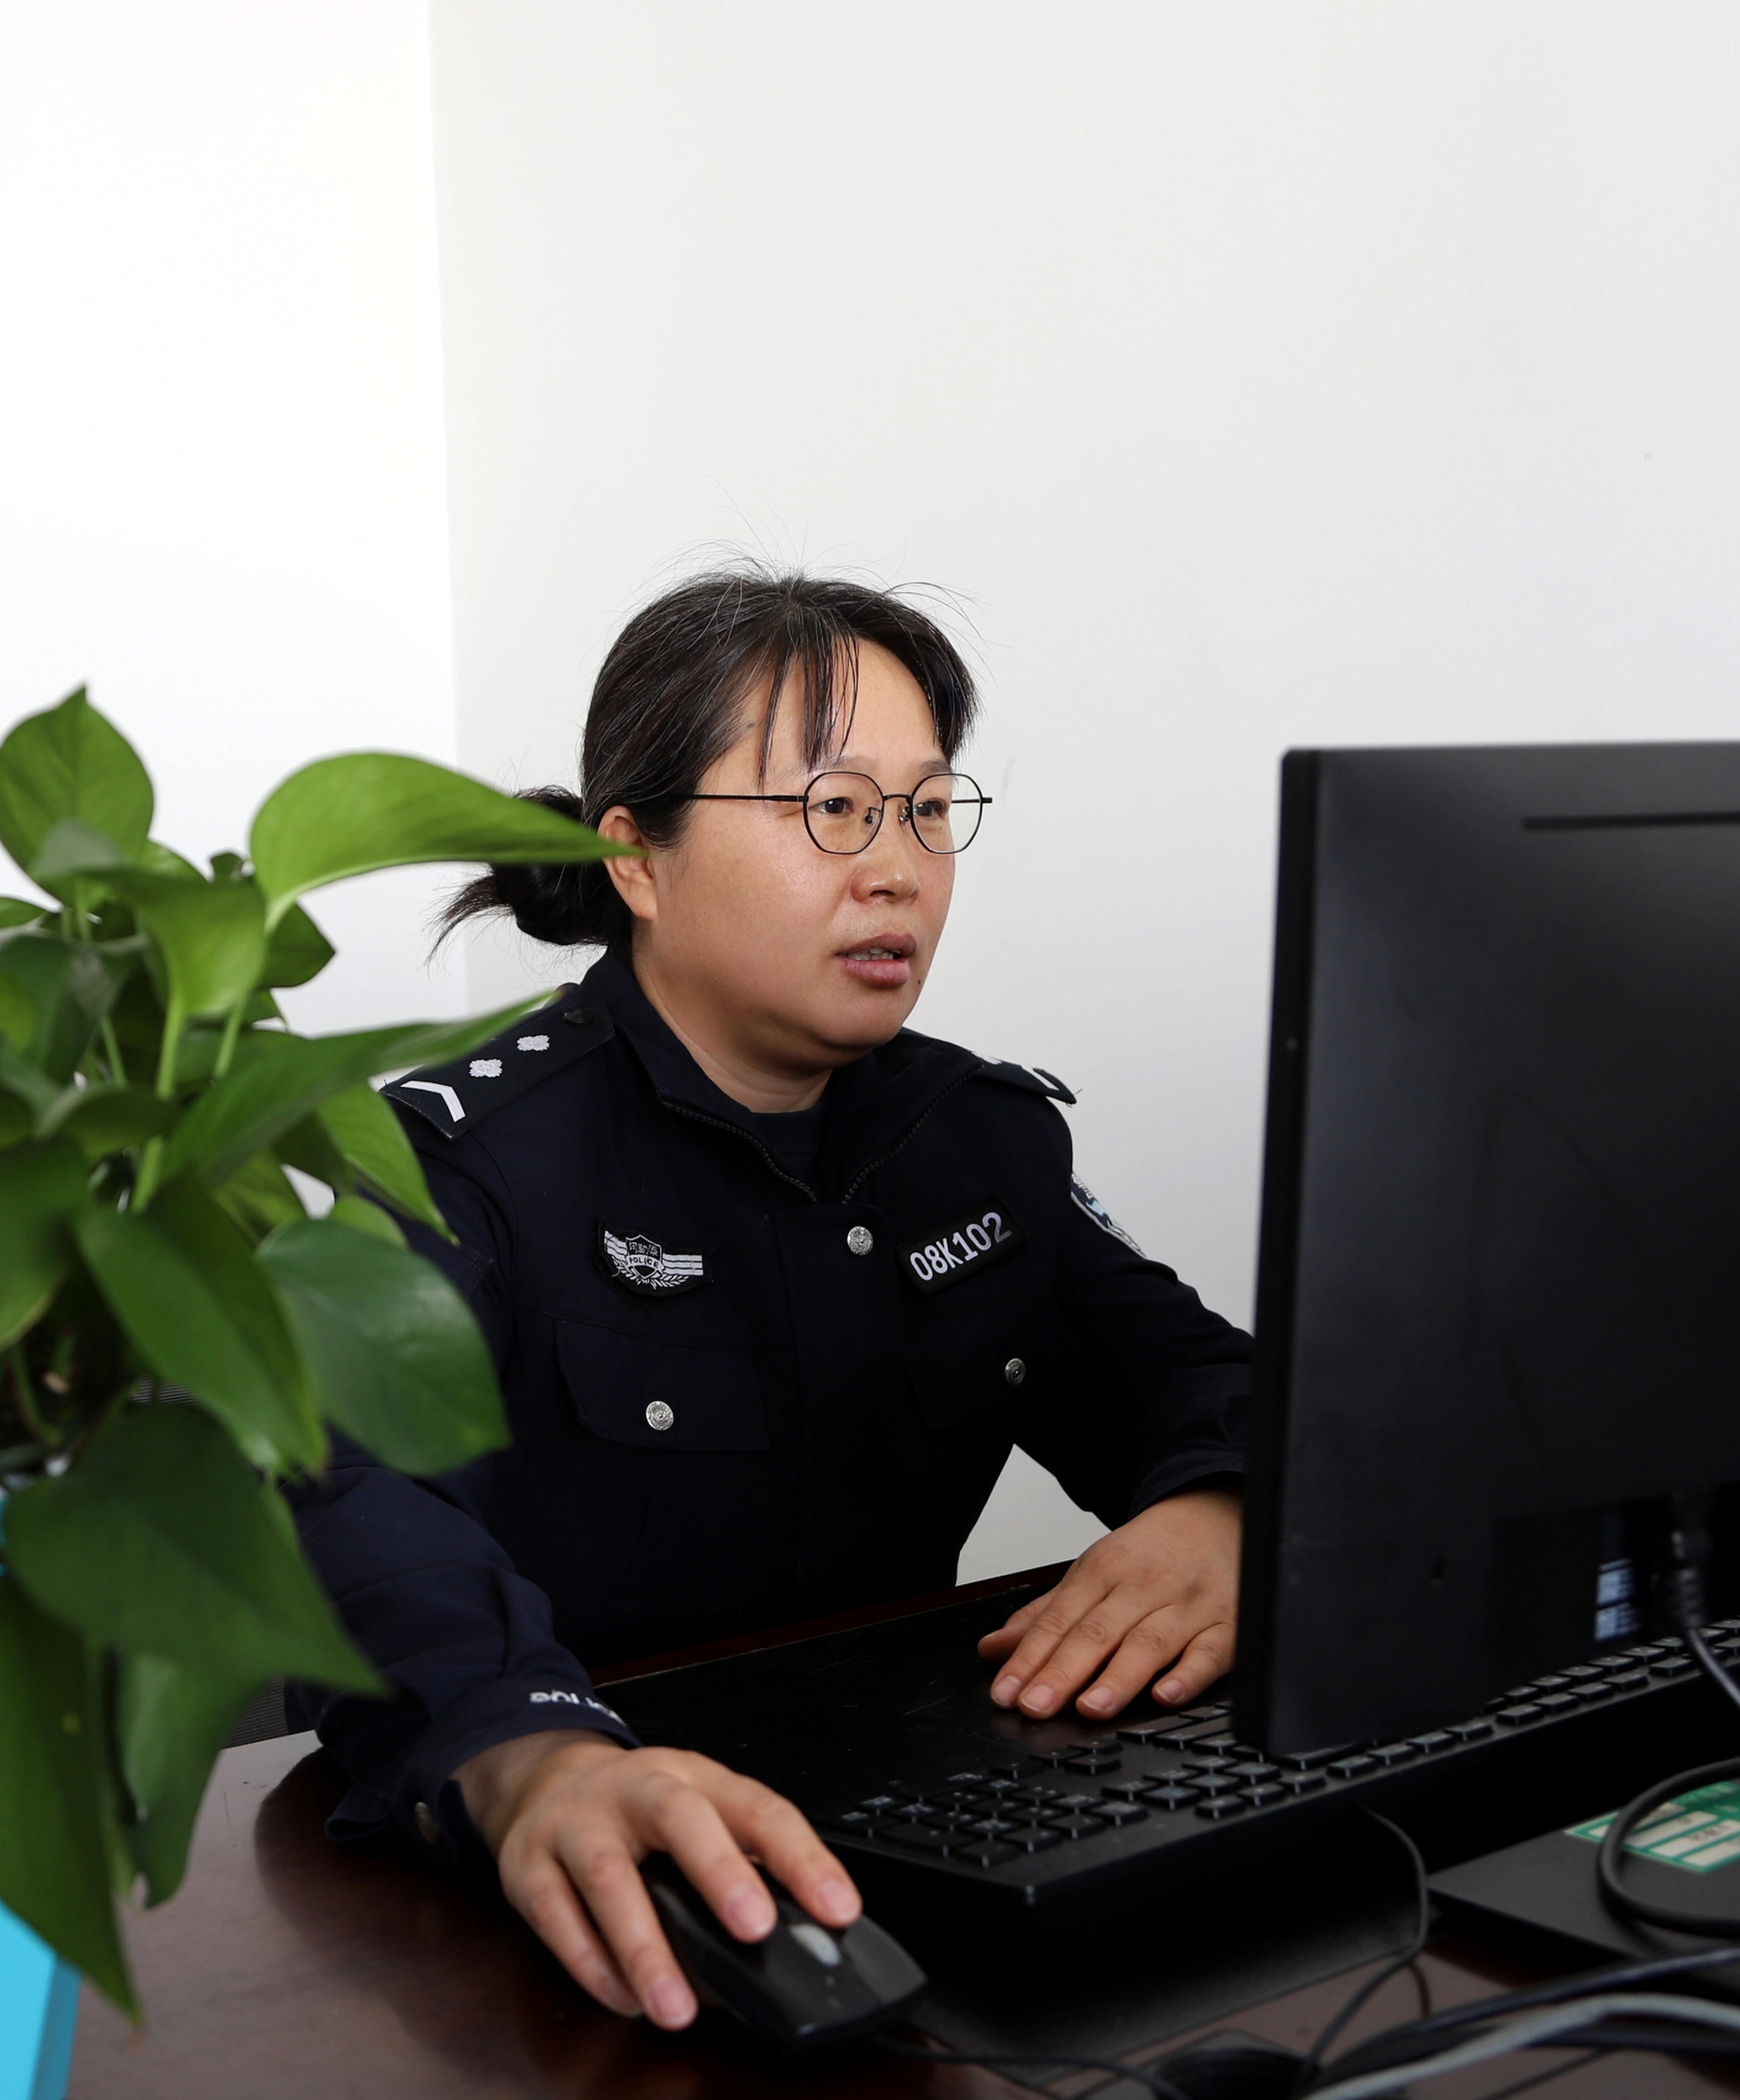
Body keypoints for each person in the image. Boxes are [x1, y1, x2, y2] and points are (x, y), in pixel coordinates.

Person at [286, 567, 1251, 2030]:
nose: (898, 869)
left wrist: (1225, 1506)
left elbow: (1193, 1374)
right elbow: (350, 1495)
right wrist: (530, 1755)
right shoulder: (464, 1162)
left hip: (915, 1854)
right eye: (833, 807)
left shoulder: (975, 1142)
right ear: (636, 858)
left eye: (927, 810)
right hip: (580, 1879)